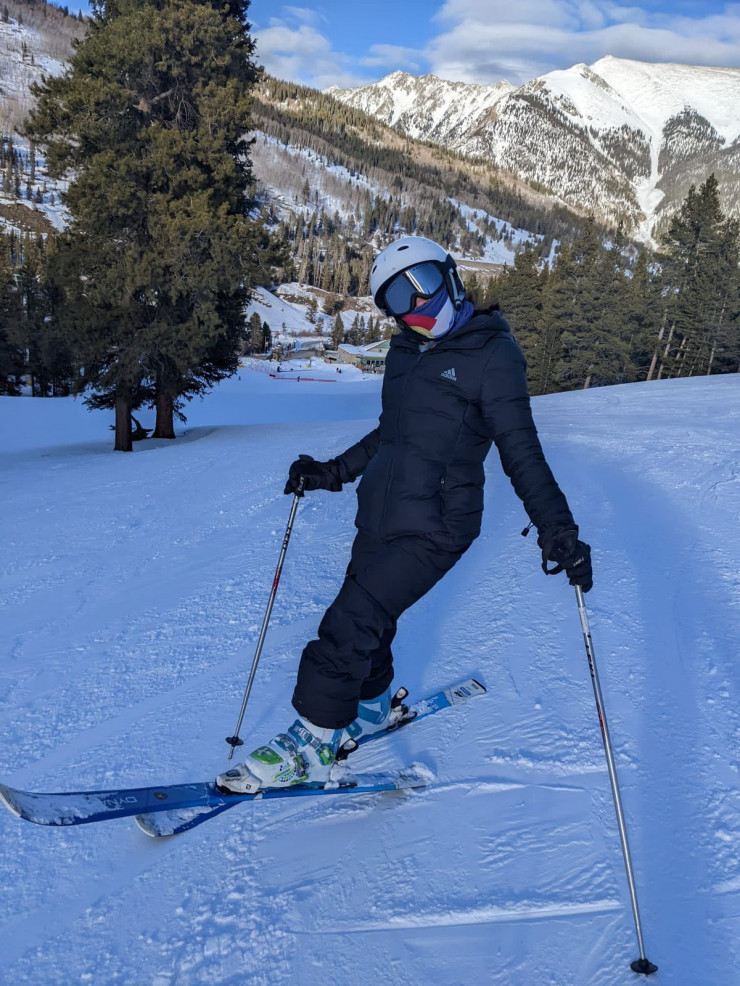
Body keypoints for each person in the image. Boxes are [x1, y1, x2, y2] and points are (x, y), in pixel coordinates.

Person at [217, 236, 592, 794]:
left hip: (438, 525)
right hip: (380, 513)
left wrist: (556, 527)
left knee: (349, 621)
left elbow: (522, 452)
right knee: (373, 619)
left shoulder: (492, 355)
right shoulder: (403, 351)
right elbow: (390, 434)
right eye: (397, 296)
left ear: (451, 275)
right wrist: (332, 472)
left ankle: (312, 745)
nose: (416, 302)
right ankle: (370, 709)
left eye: (423, 282)